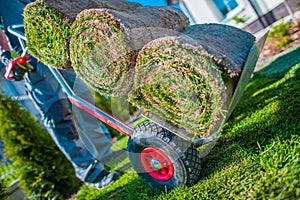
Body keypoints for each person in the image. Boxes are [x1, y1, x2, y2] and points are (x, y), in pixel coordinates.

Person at [0, 0, 122, 189]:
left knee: (83, 99)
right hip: (29, 56)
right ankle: (91, 172)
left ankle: (105, 153)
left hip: (56, 46)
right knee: (57, 114)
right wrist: (7, 57)